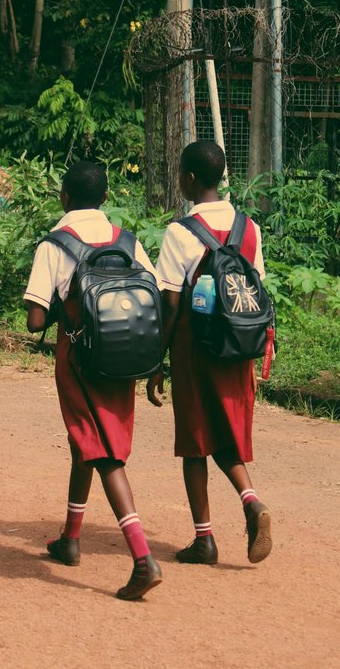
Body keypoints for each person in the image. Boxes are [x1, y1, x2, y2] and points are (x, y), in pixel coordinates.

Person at [24, 161, 163, 601]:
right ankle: (71, 537)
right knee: (86, 441)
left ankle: (143, 559)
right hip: (126, 357)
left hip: (80, 358)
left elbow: (34, 320)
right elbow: (153, 299)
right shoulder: (128, 241)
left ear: (64, 197)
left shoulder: (56, 244)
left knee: (102, 452)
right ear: (105, 198)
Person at [149, 141, 272, 566]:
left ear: (188, 179)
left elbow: (170, 305)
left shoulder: (179, 232)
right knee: (228, 431)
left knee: (195, 441)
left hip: (194, 345)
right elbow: (254, 289)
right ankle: (250, 499)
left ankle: (205, 539)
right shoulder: (249, 227)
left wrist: (156, 362)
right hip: (239, 344)